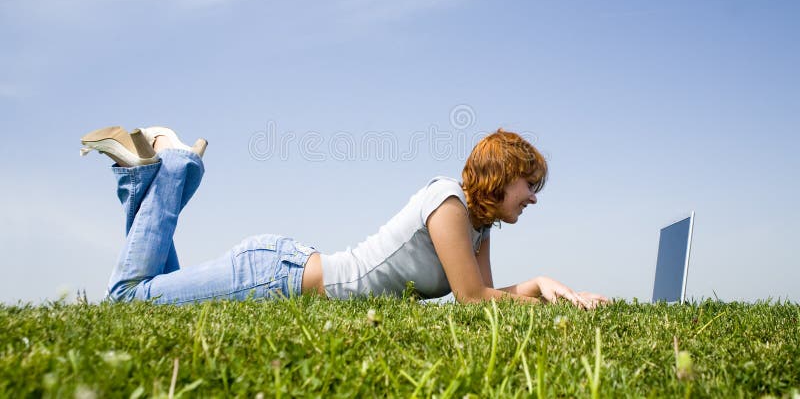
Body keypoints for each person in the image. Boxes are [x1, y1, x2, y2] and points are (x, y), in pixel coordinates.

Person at [80, 126, 608, 309]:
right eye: (528, 185)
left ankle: (142, 174)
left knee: (152, 293)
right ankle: (174, 166)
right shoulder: (447, 203)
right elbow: (473, 300)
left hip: (283, 271)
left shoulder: (478, 225)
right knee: (128, 296)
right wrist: (539, 283)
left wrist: (541, 292)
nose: (533, 199)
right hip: (271, 278)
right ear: (501, 174)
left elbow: (486, 302)